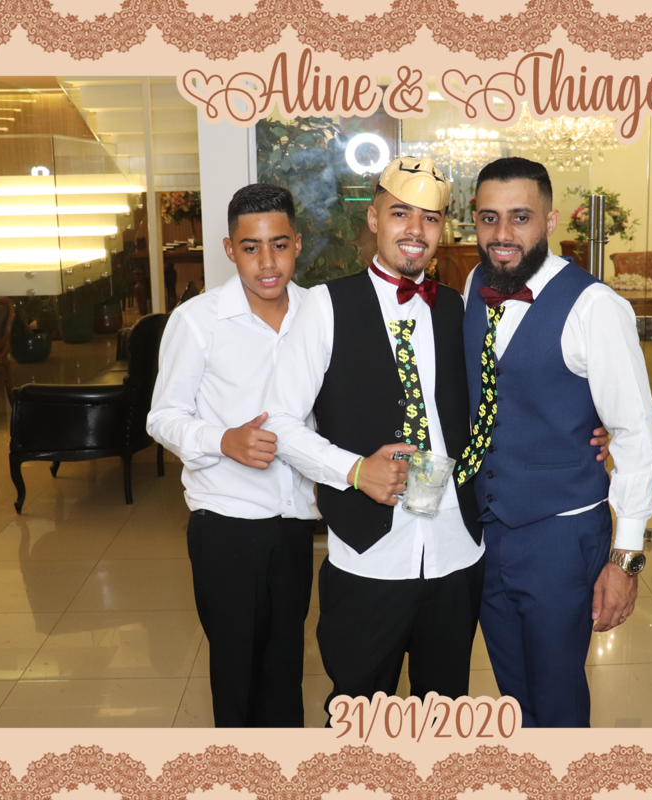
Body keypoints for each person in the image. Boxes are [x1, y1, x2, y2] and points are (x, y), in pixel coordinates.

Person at [263, 157, 485, 717]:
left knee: (445, 715)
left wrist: (587, 428)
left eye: (430, 218)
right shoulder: (325, 305)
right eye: (401, 213)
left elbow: (494, 400)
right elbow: (280, 422)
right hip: (370, 557)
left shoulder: (456, 308)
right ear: (373, 218)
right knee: (360, 716)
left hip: (456, 553)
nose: (416, 230)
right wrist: (355, 470)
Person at [462, 156, 652, 728]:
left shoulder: (596, 307)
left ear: (549, 221)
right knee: (514, 693)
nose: (503, 234)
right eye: (489, 218)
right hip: (486, 529)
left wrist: (625, 560)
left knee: (557, 695)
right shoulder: (475, 284)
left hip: (561, 533)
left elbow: (637, 436)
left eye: (520, 217)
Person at [146, 183, 317, 727]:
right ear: (229, 249)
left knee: (285, 671)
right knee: (237, 676)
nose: (267, 263)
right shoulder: (197, 321)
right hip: (226, 522)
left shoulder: (317, 313)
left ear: (297, 244)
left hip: (295, 520)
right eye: (250, 247)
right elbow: (162, 417)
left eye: (279, 245)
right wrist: (223, 440)